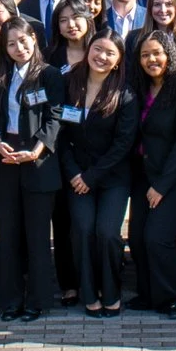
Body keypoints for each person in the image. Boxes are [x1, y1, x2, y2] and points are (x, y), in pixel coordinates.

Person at [0, 17, 62, 321]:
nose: (19, 48)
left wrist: (37, 149)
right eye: (11, 43)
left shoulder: (50, 75)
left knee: (37, 235)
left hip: (38, 161)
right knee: (8, 235)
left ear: (34, 38)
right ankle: (9, 299)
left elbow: (56, 116)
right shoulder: (0, 77)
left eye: (24, 40)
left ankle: (38, 300)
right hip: (6, 159)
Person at [60, 32, 139, 315]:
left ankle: (112, 291)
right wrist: (74, 174)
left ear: (118, 61)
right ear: (88, 50)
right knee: (81, 230)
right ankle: (89, 292)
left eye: (109, 53)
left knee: (107, 233)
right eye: (97, 49)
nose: (101, 57)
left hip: (111, 178)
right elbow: (60, 136)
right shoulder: (69, 84)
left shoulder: (126, 94)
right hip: (76, 176)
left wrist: (91, 177)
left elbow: (123, 145)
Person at [131, 31, 176, 317]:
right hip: (147, 174)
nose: (151, 59)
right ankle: (149, 294)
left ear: (170, 55)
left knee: (158, 237)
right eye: (145, 54)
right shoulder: (141, 88)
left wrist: (161, 186)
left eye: (157, 53)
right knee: (137, 237)